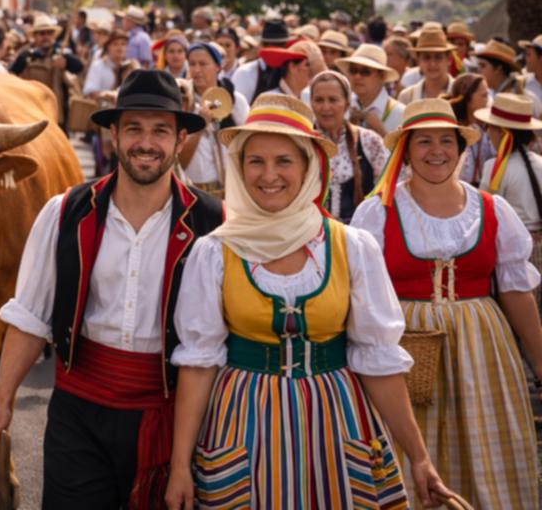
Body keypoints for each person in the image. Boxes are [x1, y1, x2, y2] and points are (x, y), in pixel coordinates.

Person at [166, 95, 449, 509]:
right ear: (239, 168)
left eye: (284, 161)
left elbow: (378, 361)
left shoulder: (351, 247)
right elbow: (198, 364)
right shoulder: (214, 252)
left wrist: (420, 458)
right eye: (255, 161)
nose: (269, 175)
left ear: (308, 165)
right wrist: (179, 467)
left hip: (336, 422)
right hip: (244, 423)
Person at [0, 70, 224, 510]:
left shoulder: (212, 223)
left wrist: (185, 459)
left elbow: (211, 347)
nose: (145, 143)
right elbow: (32, 315)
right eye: (133, 129)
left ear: (180, 139)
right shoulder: (65, 211)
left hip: (170, 414)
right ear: (112, 135)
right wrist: (0, 400)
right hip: (79, 411)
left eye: (160, 131)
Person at [352, 98, 542, 509]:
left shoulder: (492, 209)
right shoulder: (377, 212)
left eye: (445, 141)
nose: (436, 151)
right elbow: (360, 298)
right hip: (405, 344)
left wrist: (541, 360)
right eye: (423, 142)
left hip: (482, 346)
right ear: (405, 150)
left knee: (485, 445)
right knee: (408, 446)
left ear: (460, 149)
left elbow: (515, 290)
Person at [476, 92, 542, 304]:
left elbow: (484, 215)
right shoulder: (540, 162)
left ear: (501, 132)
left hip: (513, 256)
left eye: (490, 128)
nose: (488, 134)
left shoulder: (494, 169)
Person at [309, 71, 388, 222]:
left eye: (333, 100)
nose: (326, 107)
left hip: (360, 233)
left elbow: (386, 191)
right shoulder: (303, 144)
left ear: (346, 104)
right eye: (319, 100)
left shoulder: (369, 141)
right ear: (311, 103)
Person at [179, 42, 248, 198]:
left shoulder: (236, 101)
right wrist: (200, 126)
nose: (196, 70)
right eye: (192, 64)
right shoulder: (182, 102)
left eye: (203, 64)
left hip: (232, 191)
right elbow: (179, 160)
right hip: (192, 192)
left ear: (218, 67)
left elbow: (248, 145)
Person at [83, 29, 141, 176]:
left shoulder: (132, 65)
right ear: (108, 46)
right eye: (115, 44)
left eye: (123, 44)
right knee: (106, 161)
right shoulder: (98, 66)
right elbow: (90, 90)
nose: (120, 47)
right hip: (105, 118)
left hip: (130, 116)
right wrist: (107, 94)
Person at [337, 43, 405, 136]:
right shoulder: (341, 106)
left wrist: (381, 132)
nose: (357, 76)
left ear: (382, 76)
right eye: (353, 70)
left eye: (365, 72)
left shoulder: (399, 113)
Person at [443, 73, 493, 184]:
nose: (488, 100)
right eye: (484, 95)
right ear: (468, 99)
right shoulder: (453, 133)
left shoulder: (489, 130)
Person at [232, 18, 294, 103]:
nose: (276, 50)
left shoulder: (293, 71)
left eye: (281, 45)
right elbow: (238, 110)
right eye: (271, 45)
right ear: (262, 46)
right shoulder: (246, 73)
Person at [398, 29, 454, 103]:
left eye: (438, 57)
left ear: (449, 60)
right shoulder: (407, 96)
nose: (432, 64)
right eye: (426, 57)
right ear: (418, 61)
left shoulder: (460, 94)